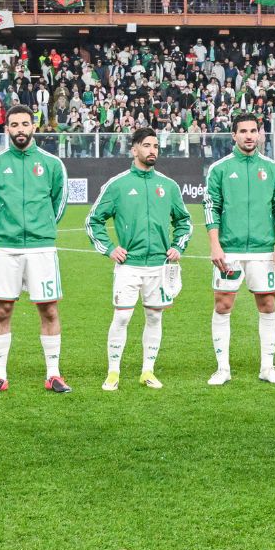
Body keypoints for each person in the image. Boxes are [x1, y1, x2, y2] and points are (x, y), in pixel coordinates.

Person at [86, 127, 192, 391]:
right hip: (128, 266)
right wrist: (109, 248)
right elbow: (93, 220)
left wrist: (178, 245)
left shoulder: (168, 186)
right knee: (122, 318)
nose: (152, 150)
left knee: (155, 318)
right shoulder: (118, 184)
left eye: (155, 146)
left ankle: (148, 371)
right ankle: (113, 372)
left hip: (159, 265)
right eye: (146, 145)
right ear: (134, 149)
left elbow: (184, 222)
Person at [0, 105, 71, 395]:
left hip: (42, 248)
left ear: (34, 127)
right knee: (2, 310)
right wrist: (4, 229)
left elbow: (59, 203)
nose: (20, 129)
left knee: (49, 310)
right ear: (7, 129)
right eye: (14, 124)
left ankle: (53, 374)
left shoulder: (52, 164)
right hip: (6, 248)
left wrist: (40, 228)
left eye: (25, 124)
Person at [203, 113, 275, 385]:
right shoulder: (219, 169)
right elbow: (211, 208)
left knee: (267, 304)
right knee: (223, 304)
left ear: (260, 134)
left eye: (253, 130)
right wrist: (215, 245)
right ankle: (222, 369)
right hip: (229, 250)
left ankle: (267, 367)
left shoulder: (273, 168)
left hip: (264, 251)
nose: (249, 135)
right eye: (243, 131)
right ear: (234, 135)